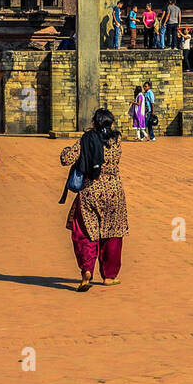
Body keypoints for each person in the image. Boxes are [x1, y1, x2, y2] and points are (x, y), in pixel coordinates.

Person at [59, 108, 128, 291]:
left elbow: (66, 158)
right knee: (113, 232)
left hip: (91, 190)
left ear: (94, 123)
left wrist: (70, 149)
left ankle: (87, 270)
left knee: (86, 232)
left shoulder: (87, 139)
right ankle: (109, 276)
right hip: (114, 190)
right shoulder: (116, 140)